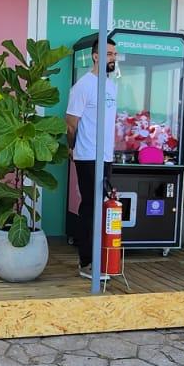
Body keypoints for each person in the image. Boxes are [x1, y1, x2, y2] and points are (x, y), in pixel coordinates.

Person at [64, 38, 119, 279]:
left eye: (114, 54)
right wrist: (72, 148)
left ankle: (99, 258)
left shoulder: (112, 86)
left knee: (102, 207)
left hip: (106, 156)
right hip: (87, 155)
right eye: (109, 53)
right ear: (95, 56)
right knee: (90, 207)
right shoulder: (83, 86)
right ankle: (86, 262)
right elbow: (70, 124)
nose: (113, 58)